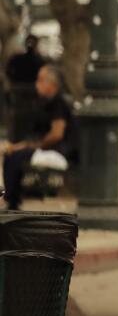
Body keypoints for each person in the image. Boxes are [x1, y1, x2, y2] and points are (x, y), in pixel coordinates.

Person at [2, 64, 74, 210]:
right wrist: (21, 145)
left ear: (52, 84)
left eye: (41, 80)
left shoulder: (58, 104)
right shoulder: (44, 103)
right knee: (12, 153)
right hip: (43, 146)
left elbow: (57, 134)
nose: (37, 84)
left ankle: (12, 201)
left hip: (56, 148)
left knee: (14, 158)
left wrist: (34, 145)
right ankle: (12, 199)